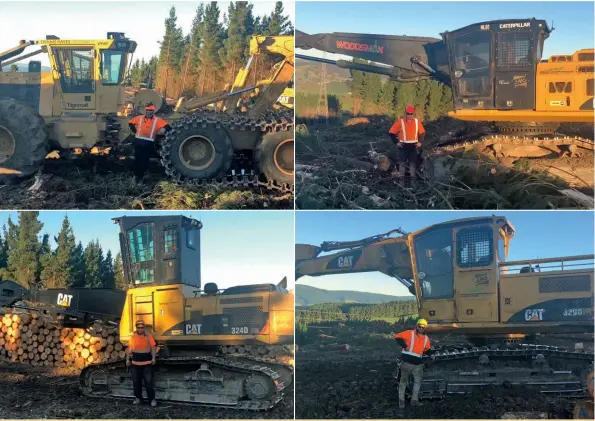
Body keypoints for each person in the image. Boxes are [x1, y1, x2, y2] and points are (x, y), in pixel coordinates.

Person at [394, 318, 434, 409]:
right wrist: (404, 346)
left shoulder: (426, 338)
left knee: (418, 381)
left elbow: (427, 349)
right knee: (403, 382)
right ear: (416, 326)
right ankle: (401, 403)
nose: (421, 328)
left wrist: (431, 354)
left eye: (423, 327)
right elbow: (397, 337)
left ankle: (414, 400)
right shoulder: (409, 333)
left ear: (425, 328)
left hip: (418, 364)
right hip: (407, 362)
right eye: (419, 326)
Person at [128, 104, 170, 183]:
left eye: (151, 111)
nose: (149, 112)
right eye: (148, 110)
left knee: (144, 161)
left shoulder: (157, 120)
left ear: (153, 111)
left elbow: (168, 127)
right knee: (137, 160)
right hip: (138, 142)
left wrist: (159, 134)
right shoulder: (139, 118)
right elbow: (130, 123)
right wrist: (135, 131)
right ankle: (136, 177)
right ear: (145, 111)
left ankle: (140, 177)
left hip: (148, 143)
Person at [388, 105, 426, 180]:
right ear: (406, 113)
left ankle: (413, 181)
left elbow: (422, 132)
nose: (410, 115)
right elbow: (391, 132)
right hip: (403, 147)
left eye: (411, 114)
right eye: (408, 113)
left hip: (413, 147)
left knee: (413, 164)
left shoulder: (417, 122)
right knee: (402, 164)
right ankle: (401, 182)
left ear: (413, 113)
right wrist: (396, 142)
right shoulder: (400, 122)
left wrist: (420, 142)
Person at [126, 319, 157, 407]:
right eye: (138, 327)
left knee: (149, 383)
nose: (140, 329)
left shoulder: (148, 336)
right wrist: (127, 359)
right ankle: (138, 398)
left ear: (144, 328)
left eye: (142, 327)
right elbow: (129, 348)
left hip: (147, 363)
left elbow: (153, 347)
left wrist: (154, 358)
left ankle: (152, 399)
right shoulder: (133, 337)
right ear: (136, 328)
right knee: (136, 383)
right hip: (135, 363)